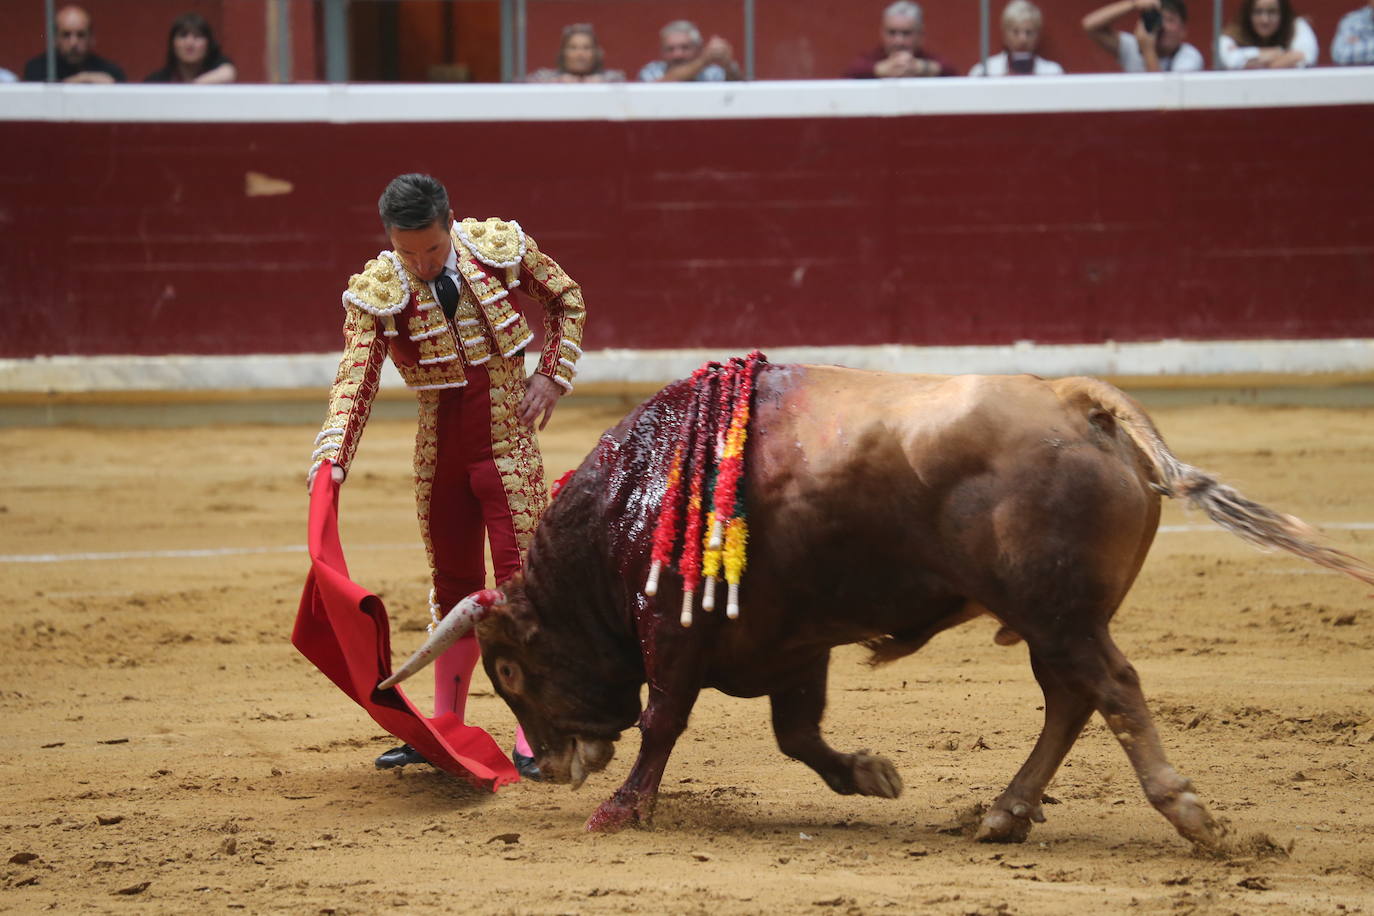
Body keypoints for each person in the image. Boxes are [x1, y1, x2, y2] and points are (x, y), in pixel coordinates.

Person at [309, 174, 586, 777]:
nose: (421, 264)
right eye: (407, 252)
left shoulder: (496, 246)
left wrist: (550, 374)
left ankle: (535, 728)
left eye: (431, 250)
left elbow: (566, 297)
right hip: (439, 453)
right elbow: (356, 374)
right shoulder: (381, 287)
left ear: (450, 224)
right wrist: (333, 455)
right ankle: (447, 724)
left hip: (510, 447)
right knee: (453, 586)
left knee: (523, 589)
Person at [1081, 0, 1205, 72]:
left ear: (1183, 31)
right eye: (1159, 19)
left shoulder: (1189, 56)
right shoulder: (1135, 46)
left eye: (1170, 20)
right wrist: (1133, 4)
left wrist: (1147, 49)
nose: (1163, 27)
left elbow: (1165, 96)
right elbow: (1090, 26)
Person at [843, 1, 954, 78]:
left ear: (920, 35)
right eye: (892, 32)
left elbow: (953, 73)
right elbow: (849, 74)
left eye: (906, 33)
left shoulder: (929, 59)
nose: (898, 41)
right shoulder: (869, 59)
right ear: (882, 33)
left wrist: (921, 67)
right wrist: (879, 69)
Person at [22, 5, 126, 83]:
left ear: (91, 38)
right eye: (66, 35)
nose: (73, 43)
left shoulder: (111, 71)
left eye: (80, 35)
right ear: (55, 39)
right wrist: (83, 79)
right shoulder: (37, 69)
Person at [970, 0, 1064, 75]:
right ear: (1005, 34)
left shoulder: (1053, 72)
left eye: (1029, 32)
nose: (1023, 39)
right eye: (1016, 32)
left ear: (1038, 35)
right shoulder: (984, 72)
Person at [1218, 0, 1319, 68]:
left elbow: (1306, 57)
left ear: (1283, 14)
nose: (1265, 20)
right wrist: (1280, 54)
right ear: (1248, 15)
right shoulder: (1233, 34)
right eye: (1258, 12)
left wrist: (1255, 63)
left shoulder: (1297, 26)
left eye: (1272, 12)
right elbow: (1231, 61)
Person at [143, 12, 237, 84]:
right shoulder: (157, 81)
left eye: (197, 36)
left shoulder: (218, 66)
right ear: (173, 43)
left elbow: (228, 73)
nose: (189, 43)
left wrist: (192, 88)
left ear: (208, 44)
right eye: (183, 36)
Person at [638, 20, 742, 82]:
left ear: (698, 49)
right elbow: (661, 85)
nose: (677, 55)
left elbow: (740, 94)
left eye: (685, 47)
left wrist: (727, 65)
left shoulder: (711, 73)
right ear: (662, 52)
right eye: (670, 49)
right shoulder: (652, 71)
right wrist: (704, 60)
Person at [527, 23, 625, 82]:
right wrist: (558, 81)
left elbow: (619, 81)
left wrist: (601, 83)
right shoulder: (545, 76)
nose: (580, 54)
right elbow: (521, 84)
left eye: (586, 48)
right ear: (563, 53)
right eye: (573, 48)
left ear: (596, 53)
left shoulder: (611, 77)